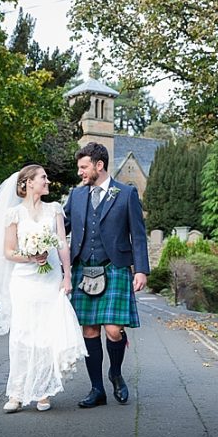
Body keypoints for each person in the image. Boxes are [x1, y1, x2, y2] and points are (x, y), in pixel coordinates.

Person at [0, 164, 87, 413]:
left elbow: (63, 246)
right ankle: (17, 393)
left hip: (50, 280)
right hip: (24, 281)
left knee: (46, 335)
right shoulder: (14, 214)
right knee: (22, 335)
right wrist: (31, 257)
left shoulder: (54, 210)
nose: (48, 181)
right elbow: (9, 252)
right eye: (43, 178)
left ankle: (43, 391)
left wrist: (67, 277)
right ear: (29, 183)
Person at [63, 142, 150, 408]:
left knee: (113, 330)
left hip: (115, 266)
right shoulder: (76, 196)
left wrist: (141, 269)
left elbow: (138, 233)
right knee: (89, 330)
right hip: (83, 268)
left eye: (83, 167)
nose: (80, 172)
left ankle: (115, 372)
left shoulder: (126, 193)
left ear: (99, 166)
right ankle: (97, 389)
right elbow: (58, 227)